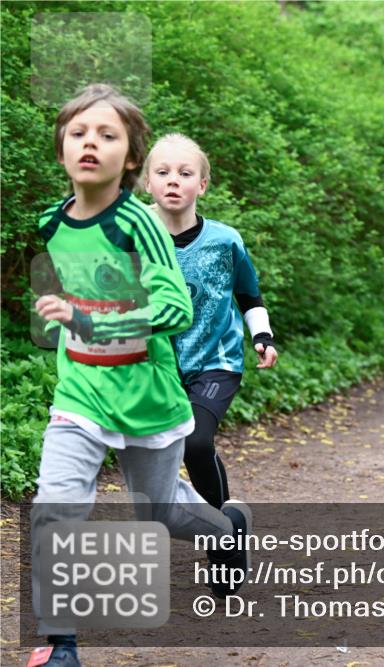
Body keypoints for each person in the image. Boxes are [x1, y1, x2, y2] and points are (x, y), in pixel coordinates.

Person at [28, 84, 250, 667]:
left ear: (130, 158)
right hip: (81, 394)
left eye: (107, 135)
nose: (90, 144)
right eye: (78, 133)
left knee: (164, 515)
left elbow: (175, 308)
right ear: (61, 150)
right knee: (56, 505)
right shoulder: (52, 222)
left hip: (149, 397)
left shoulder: (138, 223)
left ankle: (227, 527)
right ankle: (61, 646)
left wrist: (94, 320)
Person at [144, 133, 278, 509]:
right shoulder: (131, 239)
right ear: (147, 182)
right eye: (163, 172)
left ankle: (224, 531)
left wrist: (262, 336)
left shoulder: (225, 241)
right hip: (155, 366)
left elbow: (248, 294)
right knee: (163, 451)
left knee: (196, 442)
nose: (173, 180)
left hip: (215, 362)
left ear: (201, 185)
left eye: (185, 173)